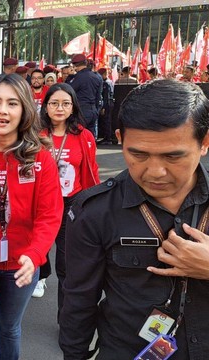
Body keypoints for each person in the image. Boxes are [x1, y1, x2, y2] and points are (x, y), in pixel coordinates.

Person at [60, 79, 209, 359]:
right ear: (120, 139)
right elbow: (79, 300)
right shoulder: (95, 210)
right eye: (138, 154)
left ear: (205, 143)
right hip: (126, 350)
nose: (155, 172)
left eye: (173, 156)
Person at [0, 74, 63, 359]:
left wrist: (35, 254)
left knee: (9, 330)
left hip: (23, 264)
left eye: (12, 103)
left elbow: (50, 214)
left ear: (24, 111)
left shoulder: (40, 157)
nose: (2, 111)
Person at [37, 83, 100, 305]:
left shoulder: (84, 136)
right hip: (40, 204)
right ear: (46, 107)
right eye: (54, 103)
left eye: (65, 103)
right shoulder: (36, 135)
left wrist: (93, 204)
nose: (60, 108)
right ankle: (39, 277)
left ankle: (65, 318)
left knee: (66, 263)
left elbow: (92, 172)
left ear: (73, 107)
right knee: (35, 253)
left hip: (70, 203)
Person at [68, 54, 102, 138]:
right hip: (93, 110)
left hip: (82, 110)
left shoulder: (78, 77)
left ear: (75, 65)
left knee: (78, 136)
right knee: (90, 137)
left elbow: (68, 90)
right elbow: (98, 96)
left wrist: (70, 76)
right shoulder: (97, 77)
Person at [97, 67, 115, 145]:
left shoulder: (106, 83)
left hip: (107, 104)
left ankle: (108, 138)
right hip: (109, 103)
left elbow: (106, 96)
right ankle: (107, 137)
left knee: (106, 121)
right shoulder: (110, 82)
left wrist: (103, 107)